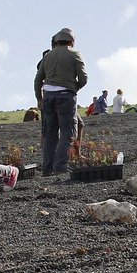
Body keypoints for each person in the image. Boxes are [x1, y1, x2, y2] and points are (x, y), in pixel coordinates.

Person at [39, 28, 88, 176]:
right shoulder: (75, 54)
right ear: (72, 42)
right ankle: (60, 166)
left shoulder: (48, 56)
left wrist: (39, 98)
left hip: (48, 96)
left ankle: (47, 168)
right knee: (68, 132)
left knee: (50, 133)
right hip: (66, 96)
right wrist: (73, 88)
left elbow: (38, 79)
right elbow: (83, 78)